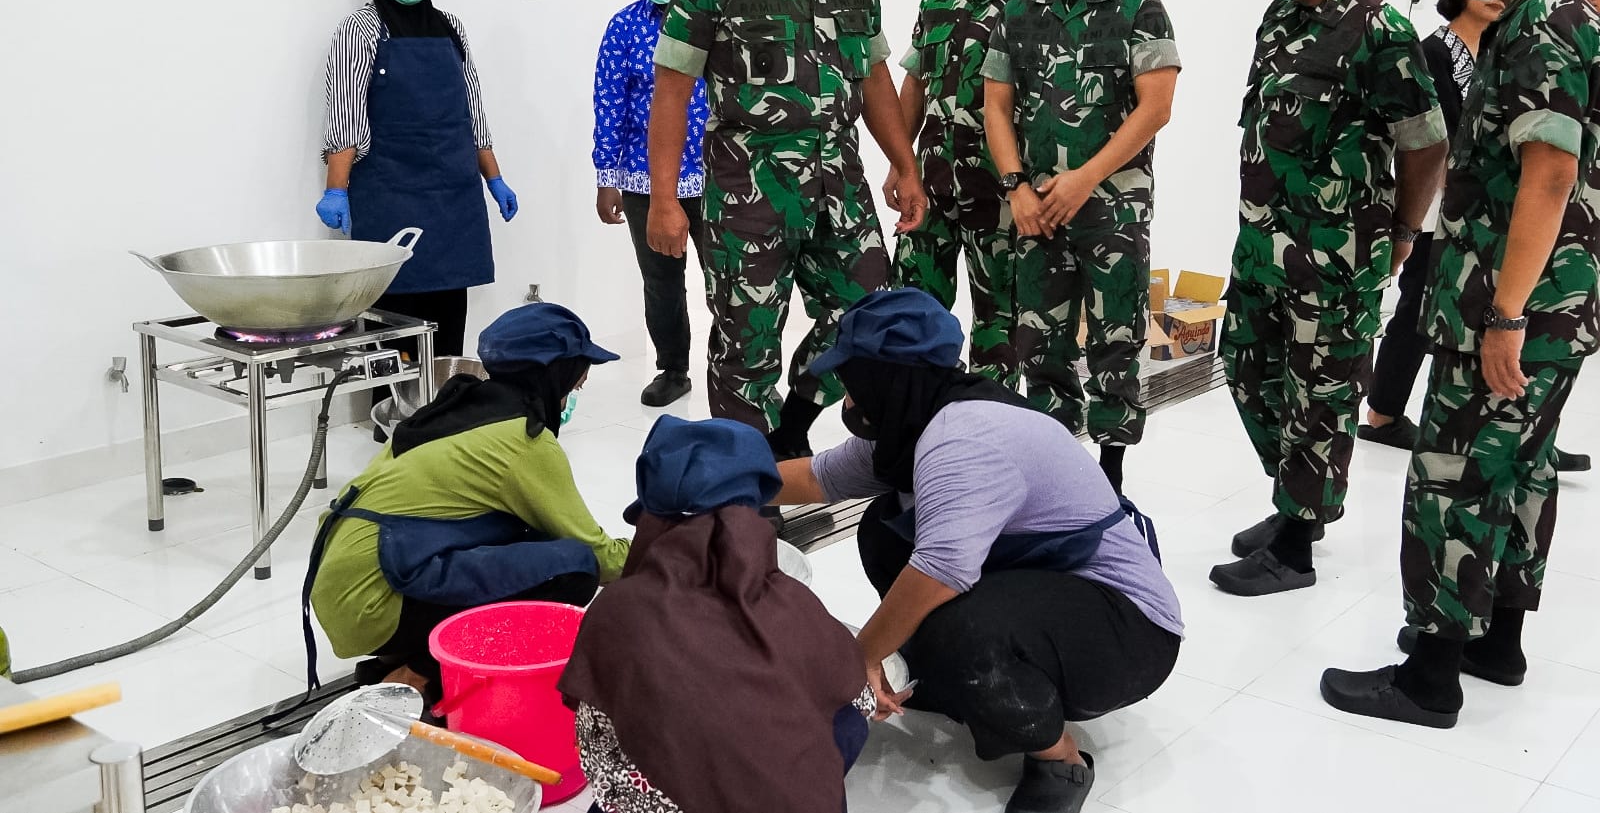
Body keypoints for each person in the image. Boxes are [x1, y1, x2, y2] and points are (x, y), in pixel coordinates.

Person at [1323, 0, 1600, 728]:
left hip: (1512, 306)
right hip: (1555, 302)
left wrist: (1506, 312)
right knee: (1519, 471)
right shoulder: (1561, 15)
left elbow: (1549, 175)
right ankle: (1498, 642)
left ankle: (1430, 675)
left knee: (1453, 474)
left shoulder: (1542, 24)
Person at [776, 289, 1182, 813]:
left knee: (960, 625)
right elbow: (816, 478)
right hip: (1052, 588)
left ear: (888, 381)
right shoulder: (918, 418)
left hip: (1129, 630)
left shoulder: (962, 439)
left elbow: (939, 573)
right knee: (883, 526)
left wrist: (859, 659)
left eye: (853, 385)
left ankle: (1060, 760)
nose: (847, 403)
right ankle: (946, 678)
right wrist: (709, 482)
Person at [645, 0, 928, 462]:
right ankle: (749, 483)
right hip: (747, 188)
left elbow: (874, 77)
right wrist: (664, 199)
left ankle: (795, 417)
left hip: (839, 181)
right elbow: (671, 95)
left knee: (869, 316)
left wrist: (905, 166)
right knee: (745, 344)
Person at [1209, 0, 1448, 597]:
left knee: (1321, 392)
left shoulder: (1381, 33)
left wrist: (1404, 230)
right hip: (1262, 244)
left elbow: (1426, 144)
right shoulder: (1280, 17)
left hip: (1334, 257)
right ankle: (1297, 501)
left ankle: (1295, 545)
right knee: (1246, 369)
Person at [304, 303, 630, 696]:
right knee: (573, 569)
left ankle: (400, 657)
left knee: (529, 538)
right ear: (553, 373)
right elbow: (599, 555)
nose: (574, 392)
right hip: (375, 600)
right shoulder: (523, 441)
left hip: (343, 584)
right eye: (575, 381)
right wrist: (666, 547)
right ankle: (421, 672)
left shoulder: (450, 410)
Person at [561, 416, 871, 813]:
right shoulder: (796, 603)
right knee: (842, 720)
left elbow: (597, 751)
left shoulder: (618, 613)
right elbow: (860, 703)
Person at [983, 0, 1181, 492]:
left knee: (1116, 336)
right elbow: (996, 107)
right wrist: (1016, 187)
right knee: (1038, 339)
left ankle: (1111, 475)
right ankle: (1053, 469)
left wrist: (1085, 180)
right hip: (1037, 207)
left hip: (1113, 208)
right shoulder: (1017, 13)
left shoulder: (1140, 7)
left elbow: (1156, 108)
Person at [1359, 0, 1593, 473]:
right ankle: (1383, 412)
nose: (1495, 0)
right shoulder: (1434, 50)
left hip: (1486, 216)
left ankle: (1526, 430)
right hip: (1439, 206)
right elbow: (1439, 136)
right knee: (1416, 306)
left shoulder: (1500, 47)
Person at [316, 0, 518, 358]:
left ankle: (444, 395)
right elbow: (346, 117)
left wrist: (495, 178)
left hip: (453, 196)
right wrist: (336, 190)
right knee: (394, 319)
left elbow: (473, 113)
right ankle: (392, 400)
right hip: (391, 194)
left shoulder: (451, 28)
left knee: (448, 316)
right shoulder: (361, 29)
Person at [893, 0, 1043, 389]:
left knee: (999, 321)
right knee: (912, 311)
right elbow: (915, 83)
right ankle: (915, 414)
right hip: (932, 184)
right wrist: (900, 163)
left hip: (1000, 194)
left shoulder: (1037, 4)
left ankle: (985, 418)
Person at [592, 0, 712, 408]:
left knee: (730, 279)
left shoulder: (717, 21)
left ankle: (733, 368)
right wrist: (607, 176)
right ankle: (673, 369)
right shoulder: (623, 27)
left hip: (718, 175)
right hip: (645, 179)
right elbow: (609, 103)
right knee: (661, 282)